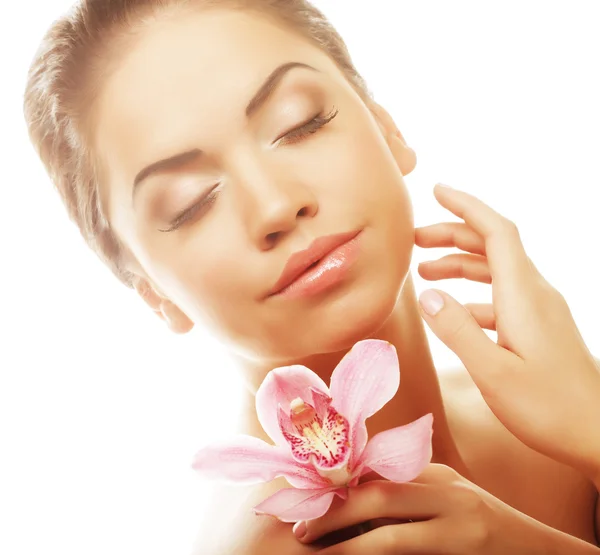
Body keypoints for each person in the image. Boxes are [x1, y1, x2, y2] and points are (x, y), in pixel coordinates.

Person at [23, 1, 600, 553]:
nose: (275, 205)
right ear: (152, 292)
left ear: (386, 127)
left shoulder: (554, 399)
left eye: (300, 124)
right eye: (190, 203)